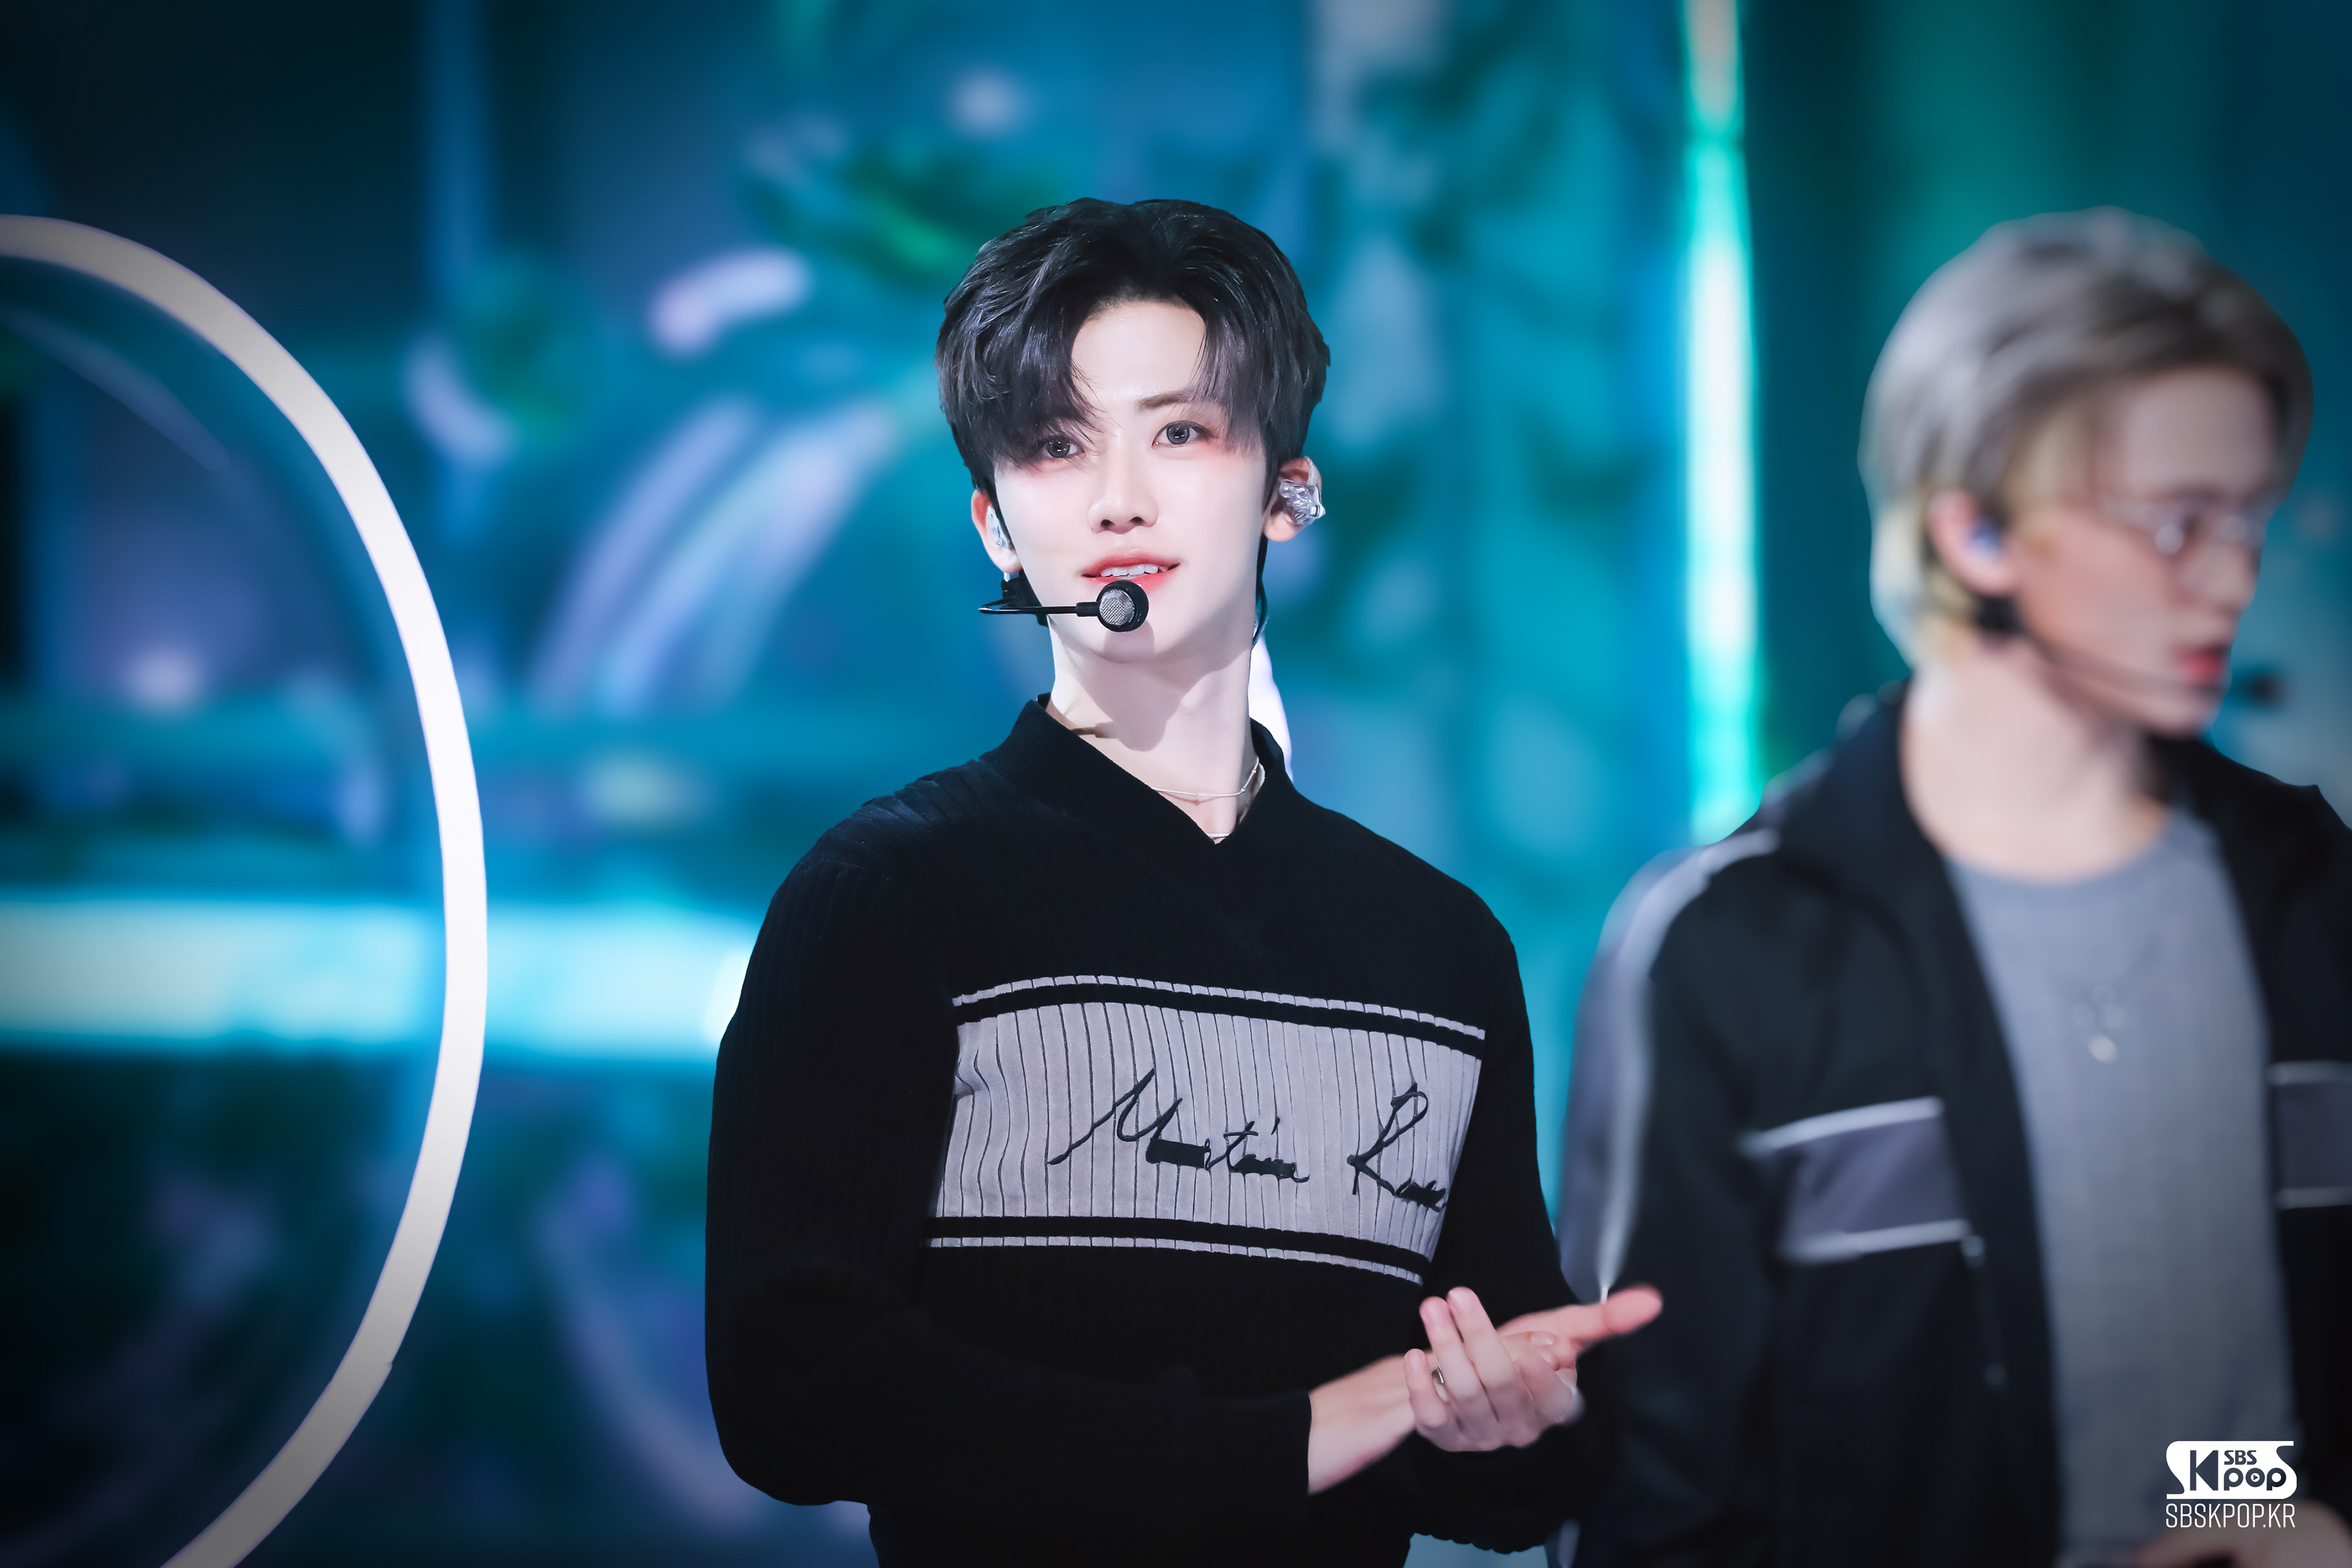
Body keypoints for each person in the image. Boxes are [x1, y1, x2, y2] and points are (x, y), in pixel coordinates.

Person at [706, 197, 1659, 1567]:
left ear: (1288, 492)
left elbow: (1485, 1430)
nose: (1118, 498)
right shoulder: (889, 898)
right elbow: (790, 1381)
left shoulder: (1437, 951)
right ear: (993, 522)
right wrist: (1276, 1445)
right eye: (1056, 444)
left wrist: (1527, 1424)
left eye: (1180, 432)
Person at [1557, 209, 2351, 1568]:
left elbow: (2216, 1429)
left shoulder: (2311, 894)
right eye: (2175, 524)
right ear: (1975, 531)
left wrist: (2292, 1526)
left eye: (2248, 519)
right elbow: (1661, 1498)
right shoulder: (1733, 943)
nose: (2233, 577)